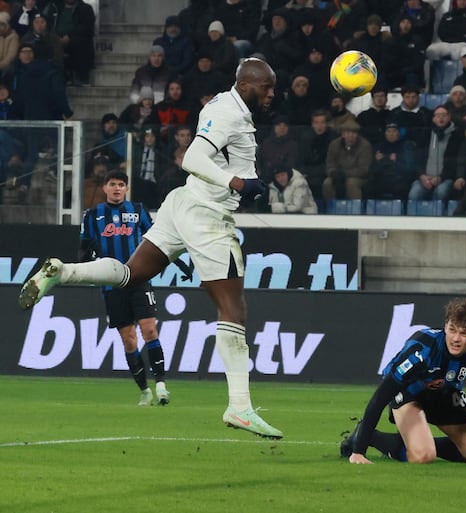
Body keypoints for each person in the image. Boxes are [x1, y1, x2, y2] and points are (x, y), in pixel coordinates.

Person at [18, 58, 285, 440]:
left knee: (131, 274)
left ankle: (65, 272)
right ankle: (239, 407)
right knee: (233, 308)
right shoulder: (228, 112)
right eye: (267, 87)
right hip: (207, 216)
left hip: (183, 204)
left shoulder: (227, 107)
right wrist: (238, 184)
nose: (272, 94)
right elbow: (192, 158)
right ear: (246, 85)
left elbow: (221, 159)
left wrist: (247, 180)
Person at [341, 297, 466, 465]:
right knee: (423, 456)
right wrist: (358, 452)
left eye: (464, 333)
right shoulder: (423, 349)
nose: (455, 338)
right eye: (452, 329)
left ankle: (419, 442)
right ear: (445, 326)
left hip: (445, 393)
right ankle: (370, 437)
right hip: (409, 393)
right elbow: (381, 396)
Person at [79, 170, 180, 406]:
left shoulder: (137, 211)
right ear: (105, 188)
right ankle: (144, 390)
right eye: (112, 184)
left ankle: (162, 386)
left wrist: (178, 260)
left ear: (126, 188)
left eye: (121, 184)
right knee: (129, 340)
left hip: (138, 278)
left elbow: (157, 239)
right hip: (111, 284)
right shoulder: (93, 215)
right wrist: (89, 257)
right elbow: (83, 249)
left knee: (149, 330)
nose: (116, 188)